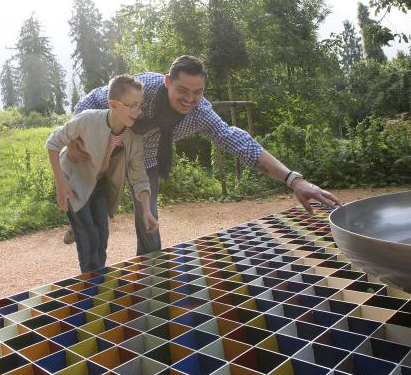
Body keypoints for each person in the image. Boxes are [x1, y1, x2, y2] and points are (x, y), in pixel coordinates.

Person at [66, 55, 341, 255]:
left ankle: (151, 271)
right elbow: (92, 100)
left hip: (146, 161)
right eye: (182, 90)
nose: (189, 98)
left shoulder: (200, 113)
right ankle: (82, 224)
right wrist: (77, 135)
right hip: (108, 150)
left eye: (197, 92)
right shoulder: (144, 88)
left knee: (148, 217)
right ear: (166, 83)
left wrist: (293, 179)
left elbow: (239, 142)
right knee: (91, 210)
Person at [46, 75, 159, 272]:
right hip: (75, 181)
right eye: (132, 105)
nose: (137, 112)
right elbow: (52, 143)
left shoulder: (133, 138)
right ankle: (91, 283)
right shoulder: (88, 119)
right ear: (113, 105)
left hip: (100, 184)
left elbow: (139, 176)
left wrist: (147, 211)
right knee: (89, 236)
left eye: (139, 105)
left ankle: (97, 276)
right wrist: (60, 184)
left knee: (101, 235)